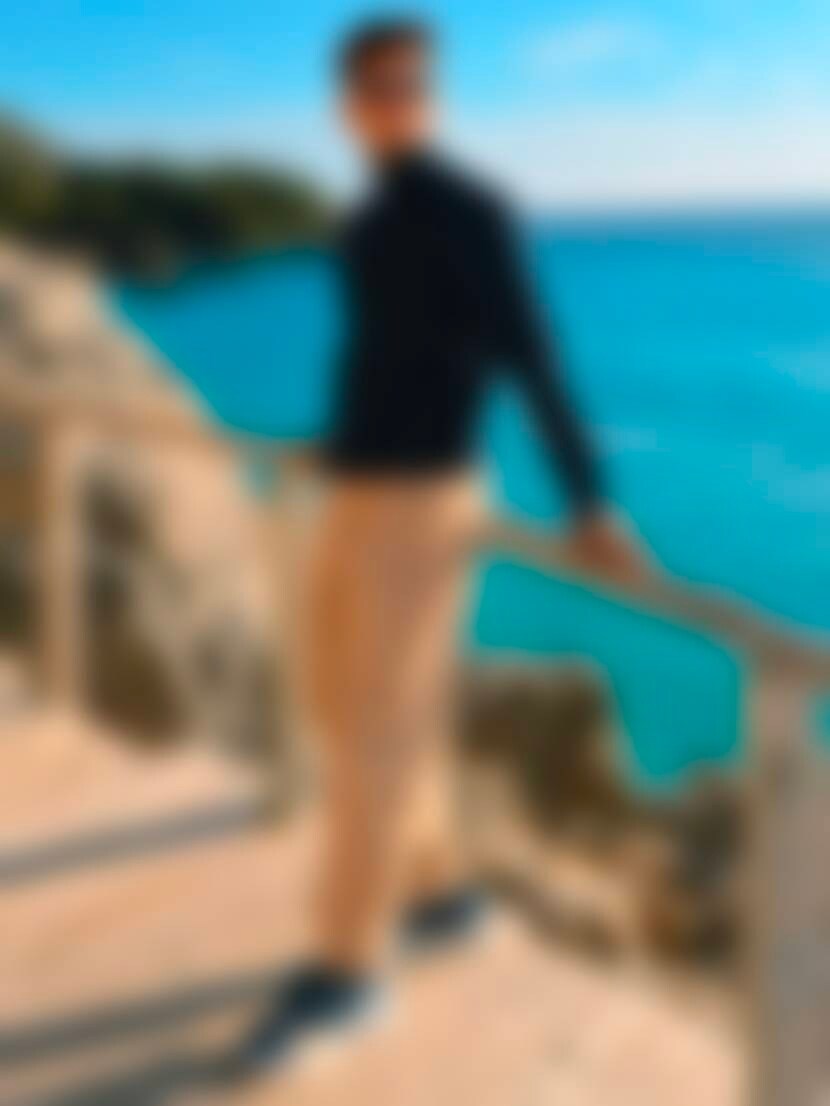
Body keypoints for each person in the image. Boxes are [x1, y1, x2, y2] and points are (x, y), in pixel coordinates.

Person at [237, 16, 646, 1074]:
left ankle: (348, 968)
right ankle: (437, 893)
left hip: (425, 503)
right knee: (334, 698)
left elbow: (531, 355)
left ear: (435, 97)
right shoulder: (364, 221)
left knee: (377, 731)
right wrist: (338, 440)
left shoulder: (471, 209)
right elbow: (383, 353)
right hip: (355, 485)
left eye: (415, 83)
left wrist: (587, 498)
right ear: (346, 105)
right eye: (379, 85)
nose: (399, 100)